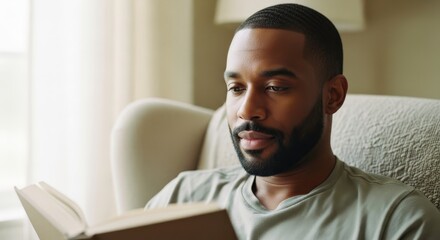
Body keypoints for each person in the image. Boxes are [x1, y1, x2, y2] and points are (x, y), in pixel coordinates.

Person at [146, 3, 440, 239]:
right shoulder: (183, 198)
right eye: (236, 88)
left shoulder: (397, 220)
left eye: (275, 87)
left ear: (333, 95)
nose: (247, 111)